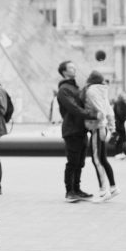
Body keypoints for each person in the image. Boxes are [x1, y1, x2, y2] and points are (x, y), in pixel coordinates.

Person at [56, 60, 97, 203]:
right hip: (71, 129)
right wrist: (92, 115)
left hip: (81, 129)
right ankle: (69, 191)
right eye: (71, 68)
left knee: (80, 162)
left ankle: (77, 189)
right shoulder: (64, 90)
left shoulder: (75, 88)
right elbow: (73, 108)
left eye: (74, 67)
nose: (74, 69)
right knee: (72, 162)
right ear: (64, 72)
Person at [83, 71, 119, 201]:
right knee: (103, 159)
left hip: (97, 127)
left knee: (97, 160)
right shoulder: (103, 90)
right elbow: (109, 110)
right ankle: (113, 188)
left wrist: (101, 123)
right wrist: (112, 128)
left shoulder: (91, 90)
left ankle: (104, 191)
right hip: (102, 128)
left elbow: (101, 111)